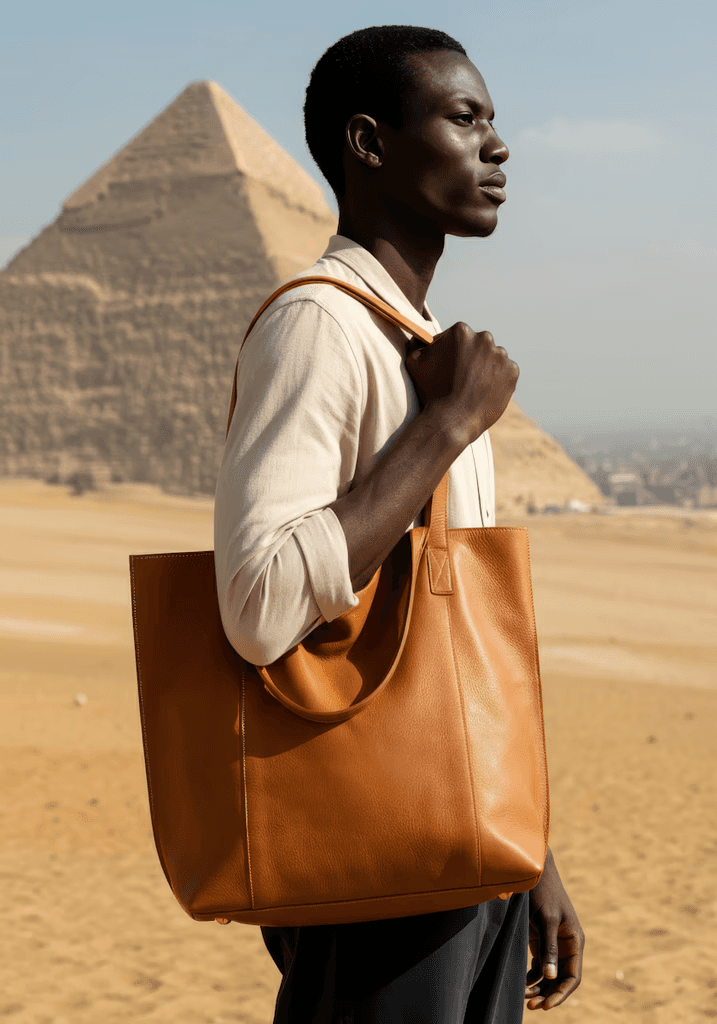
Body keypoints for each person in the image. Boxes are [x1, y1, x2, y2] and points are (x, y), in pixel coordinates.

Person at [213, 24, 585, 1024]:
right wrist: (448, 427)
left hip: (463, 837)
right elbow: (257, 605)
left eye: (494, 122)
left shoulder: (419, 348)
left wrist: (528, 845)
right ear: (369, 144)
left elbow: (459, 632)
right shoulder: (318, 328)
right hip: (381, 849)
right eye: (466, 119)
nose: (498, 147)